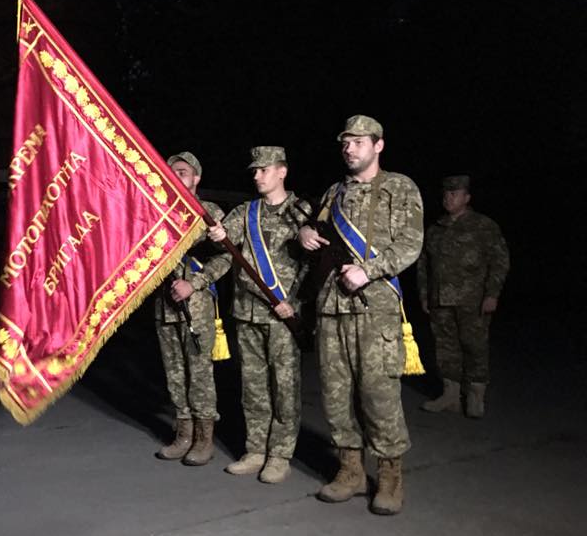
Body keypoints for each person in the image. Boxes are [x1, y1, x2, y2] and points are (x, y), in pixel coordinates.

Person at [298, 115, 424, 515]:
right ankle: (350, 471)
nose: (349, 148)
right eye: (345, 143)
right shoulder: (333, 192)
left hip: (375, 307)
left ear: (378, 145)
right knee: (336, 395)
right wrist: (304, 233)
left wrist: (367, 270)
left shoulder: (399, 188)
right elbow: (316, 230)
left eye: (357, 142)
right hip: (333, 307)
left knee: (378, 395)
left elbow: (411, 244)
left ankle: (389, 477)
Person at [207, 146, 309, 483]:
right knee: (253, 386)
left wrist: (296, 303)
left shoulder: (302, 213)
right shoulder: (245, 211)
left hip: (282, 313)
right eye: (254, 171)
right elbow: (226, 238)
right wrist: (219, 235)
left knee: (284, 387)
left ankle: (280, 454)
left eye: (264, 170)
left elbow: (315, 267)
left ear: (282, 171)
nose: (257, 176)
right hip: (247, 312)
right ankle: (255, 450)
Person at [154, 152, 230, 466]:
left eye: (183, 172)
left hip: (196, 307)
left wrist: (195, 283)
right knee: (174, 374)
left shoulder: (209, 212)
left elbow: (226, 256)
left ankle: (203, 437)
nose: (176, 176)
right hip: (165, 306)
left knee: (199, 375)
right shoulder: (157, 211)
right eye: (172, 172)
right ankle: (182, 433)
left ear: (196, 178)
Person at [417, 175, 509, 418]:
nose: (448, 198)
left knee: (474, 346)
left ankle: (475, 395)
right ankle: (450, 395)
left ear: (467, 198)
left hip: (473, 299)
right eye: (446, 194)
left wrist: (492, 294)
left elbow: (499, 261)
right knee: (445, 348)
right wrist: (425, 295)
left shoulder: (483, 226)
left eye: (454, 194)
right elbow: (424, 264)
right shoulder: (436, 228)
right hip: (440, 300)